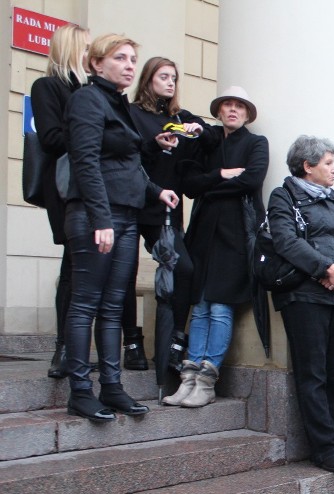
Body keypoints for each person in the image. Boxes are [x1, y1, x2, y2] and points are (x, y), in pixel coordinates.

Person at [63, 34, 180, 421]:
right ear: (97, 64)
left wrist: (156, 190)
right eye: (120, 58)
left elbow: (127, 165)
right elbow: (86, 162)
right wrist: (100, 219)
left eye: (133, 59)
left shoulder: (118, 103)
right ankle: (81, 391)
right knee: (86, 304)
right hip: (97, 216)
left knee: (114, 307)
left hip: (127, 215)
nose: (130, 65)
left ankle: (111, 388)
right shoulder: (86, 100)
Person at [268, 135, 334, 474]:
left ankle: (330, 441)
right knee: (314, 373)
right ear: (308, 166)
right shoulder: (284, 196)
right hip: (304, 296)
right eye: (328, 164)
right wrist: (325, 269)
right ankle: (324, 448)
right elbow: (285, 241)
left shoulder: (333, 201)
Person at [179, 86, 269, 408]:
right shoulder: (208, 140)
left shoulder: (256, 143)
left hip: (236, 234)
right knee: (200, 306)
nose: (233, 110)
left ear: (246, 113)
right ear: (219, 111)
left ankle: (207, 380)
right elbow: (188, 185)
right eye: (227, 105)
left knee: (220, 307)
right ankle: (188, 376)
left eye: (239, 106)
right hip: (204, 233)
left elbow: (251, 181)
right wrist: (220, 175)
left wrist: (210, 187)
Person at [128, 56, 204, 395]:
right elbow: (128, 156)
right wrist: (153, 144)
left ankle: (176, 340)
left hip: (169, 210)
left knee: (184, 268)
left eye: (174, 77)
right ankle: (132, 342)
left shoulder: (178, 117)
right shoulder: (134, 114)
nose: (170, 83)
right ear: (148, 79)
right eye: (163, 77)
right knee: (124, 273)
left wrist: (194, 128)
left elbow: (202, 129)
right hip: (137, 203)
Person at [30, 24, 90, 380]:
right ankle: (64, 349)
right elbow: (51, 138)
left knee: (85, 270)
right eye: (86, 49)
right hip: (66, 189)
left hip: (95, 188)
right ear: (71, 50)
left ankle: (76, 348)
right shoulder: (48, 86)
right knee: (72, 267)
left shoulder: (89, 90)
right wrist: (88, 125)